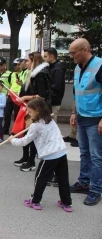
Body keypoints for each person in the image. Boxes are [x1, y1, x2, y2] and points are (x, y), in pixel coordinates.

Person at [8, 98, 73, 212]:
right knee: (63, 179)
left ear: (37, 111)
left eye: (30, 112)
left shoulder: (35, 126)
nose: (28, 113)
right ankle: (66, 203)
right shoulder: (51, 120)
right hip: (61, 153)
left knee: (40, 179)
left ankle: (35, 201)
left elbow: (25, 141)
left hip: (49, 156)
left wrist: (12, 140)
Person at [68, 38, 102, 206]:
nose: (71, 56)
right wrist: (74, 112)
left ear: (85, 50)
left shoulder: (100, 65)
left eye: (73, 53)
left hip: (96, 119)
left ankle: (95, 190)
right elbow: (77, 92)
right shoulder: (77, 68)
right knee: (84, 153)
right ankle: (84, 182)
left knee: (97, 157)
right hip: (82, 116)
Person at [14, 52, 52, 172]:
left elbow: (42, 96)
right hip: (30, 108)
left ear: (34, 61)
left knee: (32, 135)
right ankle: (26, 157)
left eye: (28, 61)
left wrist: (25, 98)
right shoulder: (32, 74)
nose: (25, 63)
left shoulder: (40, 75)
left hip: (37, 109)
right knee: (25, 133)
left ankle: (31, 161)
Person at [43, 48, 66, 123]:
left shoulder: (58, 69)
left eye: (45, 56)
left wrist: (47, 97)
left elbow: (56, 87)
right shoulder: (50, 67)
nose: (44, 59)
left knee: (51, 124)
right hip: (49, 100)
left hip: (53, 102)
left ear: (52, 57)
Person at [3, 58, 24, 134]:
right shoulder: (12, 74)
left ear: (20, 65)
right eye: (14, 65)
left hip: (18, 96)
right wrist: (7, 94)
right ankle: (5, 129)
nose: (15, 67)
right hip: (10, 95)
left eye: (16, 65)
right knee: (7, 113)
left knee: (16, 114)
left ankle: (15, 131)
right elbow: (10, 84)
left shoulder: (23, 73)